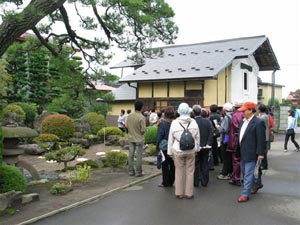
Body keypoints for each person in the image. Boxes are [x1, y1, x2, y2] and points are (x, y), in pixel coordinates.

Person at [167, 103, 200, 199]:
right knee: (190, 171)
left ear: (179, 112)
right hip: (191, 150)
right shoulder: (193, 122)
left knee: (179, 170)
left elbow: (170, 139)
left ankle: (179, 193)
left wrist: (170, 152)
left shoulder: (174, 123)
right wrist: (197, 149)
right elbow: (197, 137)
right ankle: (189, 193)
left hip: (178, 150)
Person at [237, 101, 266, 203]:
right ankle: (256, 184)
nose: (242, 112)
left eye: (244, 110)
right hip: (242, 151)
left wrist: (261, 153)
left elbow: (261, 139)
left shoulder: (258, 122)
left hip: (252, 152)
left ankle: (245, 194)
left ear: (250, 110)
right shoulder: (242, 122)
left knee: (248, 174)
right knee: (245, 172)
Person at [192, 105, 213, 187]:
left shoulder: (192, 122)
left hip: (195, 147)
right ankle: (204, 181)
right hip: (205, 146)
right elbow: (211, 132)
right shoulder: (207, 121)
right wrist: (208, 143)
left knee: (195, 164)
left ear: (193, 112)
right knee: (205, 164)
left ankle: (195, 182)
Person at [125, 100, 146, 177]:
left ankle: (130, 171)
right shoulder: (141, 117)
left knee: (131, 155)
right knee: (139, 156)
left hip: (131, 138)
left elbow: (126, 126)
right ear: (142, 107)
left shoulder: (129, 116)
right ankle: (138, 172)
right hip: (139, 139)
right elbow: (143, 130)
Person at [156, 107, 176, 187]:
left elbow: (159, 136)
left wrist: (157, 147)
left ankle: (165, 182)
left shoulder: (162, 124)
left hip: (164, 147)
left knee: (165, 165)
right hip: (174, 146)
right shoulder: (175, 123)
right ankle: (171, 181)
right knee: (173, 165)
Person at [228, 101, 244, 186]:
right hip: (243, 140)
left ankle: (236, 178)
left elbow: (236, 128)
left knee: (236, 159)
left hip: (236, 140)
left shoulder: (235, 115)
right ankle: (240, 177)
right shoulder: (244, 114)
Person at [216, 102, 233, 180]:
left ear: (225, 110)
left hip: (226, 138)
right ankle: (230, 172)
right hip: (232, 138)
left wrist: (218, 127)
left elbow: (223, 129)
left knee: (225, 156)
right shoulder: (233, 115)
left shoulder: (227, 117)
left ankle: (225, 173)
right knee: (230, 156)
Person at [257, 104, 270, 170]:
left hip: (264, 136)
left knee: (263, 152)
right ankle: (264, 165)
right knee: (264, 151)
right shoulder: (264, 115)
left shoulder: (263, 117)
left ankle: (264, 165)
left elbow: (258, 120)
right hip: (265, 136)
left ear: (259, 110)